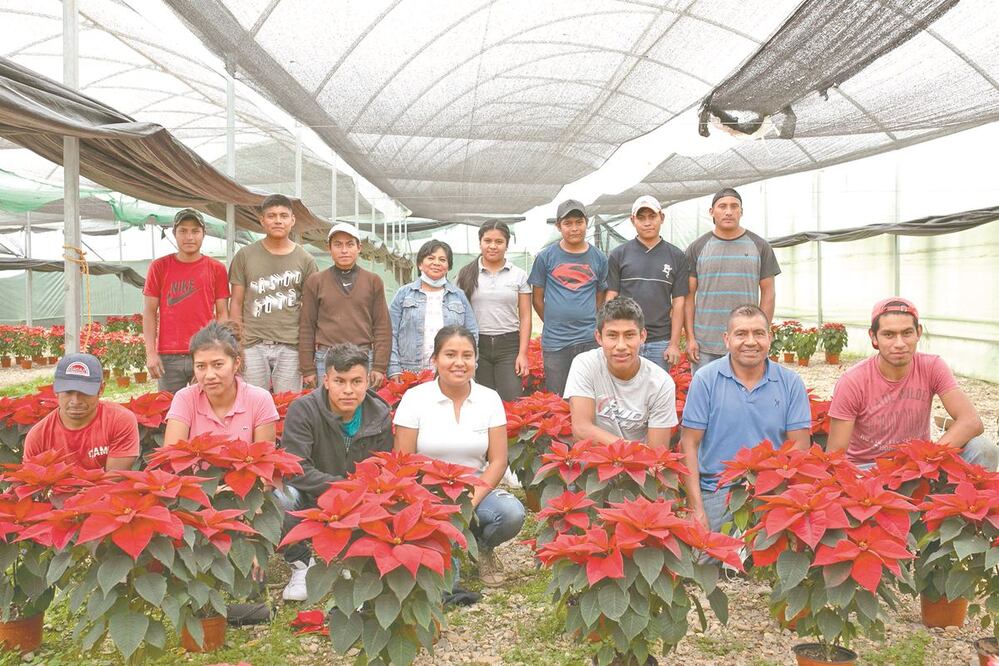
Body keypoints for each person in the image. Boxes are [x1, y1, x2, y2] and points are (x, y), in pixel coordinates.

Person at [394, 326, 525, 586]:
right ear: (435, 360)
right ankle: (447, 547)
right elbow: (403, 461)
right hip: (427, 495)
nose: (459, 363)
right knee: (447, 585)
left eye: (467, 355)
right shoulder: (415, 399)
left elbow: (498, 460)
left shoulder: (489, 399)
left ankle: (481, 547)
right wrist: (433, 505)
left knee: (511, 513)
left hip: (474, 490)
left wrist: (469, 504)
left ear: (476, 361)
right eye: (450, 354)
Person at [277, 342, 394, 601]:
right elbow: (295, 468)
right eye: (340, 381)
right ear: (326, 380)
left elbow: (384, 467)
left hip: (360, 499)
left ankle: (358, 562)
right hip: (313, 494)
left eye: (356, 381)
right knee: (280, 497)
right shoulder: (303, 410)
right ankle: (301, 564)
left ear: (367, 382)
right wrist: (342, 486)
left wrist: (357, 491)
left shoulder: (380, 414)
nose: (348, 390)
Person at [680, 305, 811, 533]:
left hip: (773, 490)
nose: (751, 341)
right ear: (726, 339)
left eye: (758, 333)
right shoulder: (706, 379)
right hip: (717, 490)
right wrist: (696, 509)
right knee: (705, 562)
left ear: (769, 338)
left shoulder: (790, 382)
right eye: (741, 334)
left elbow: (800, 446)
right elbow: (689, 443)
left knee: (768, 564)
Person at [827, 297, 998, 469]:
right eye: (889, 335)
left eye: (907, 333)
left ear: (918, 332)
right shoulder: (852, 381)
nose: (899, 344)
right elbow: (835, 455)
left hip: (920, 465)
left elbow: (971, 421)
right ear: (873, 337)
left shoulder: (932, 367)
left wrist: (927, 458)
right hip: (869, 469)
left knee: (983, 449)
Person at [684, 188, 780, 373]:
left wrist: (761, 335)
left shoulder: (760, 246)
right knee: (706, 398)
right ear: (712, 212)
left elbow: (768, 292)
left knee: (746, 397)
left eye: (734, 206)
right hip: (705, 345)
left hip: (746, 343)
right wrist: (690, 338)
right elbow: (689, 296)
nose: (728, 211)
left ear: (741, 211)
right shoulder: (697, 248)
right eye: (722, 206)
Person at [229, 194, 318, 393]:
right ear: (262, 220)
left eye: (283, 215)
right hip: (252, 344)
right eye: (271, 215)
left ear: (292, 220)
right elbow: (235, 302)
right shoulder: (245, 255)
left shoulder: (306, 260)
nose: (278, 220)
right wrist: (236, 343)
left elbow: (311, 310)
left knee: (287, 406)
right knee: (253, 405)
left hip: (290, 345)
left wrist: (307, 349)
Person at [564, 297, 678, 447]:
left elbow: (656, 452)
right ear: (599, 337)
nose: (621, 346)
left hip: (639, 466)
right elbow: (581, 429)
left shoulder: (661, 383)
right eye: (612, 335)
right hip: (595, 461)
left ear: (642, 336)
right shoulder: (585, 364)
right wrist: (632, 448)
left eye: (629, 335)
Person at [142, 208, 230, 393]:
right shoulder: (159, 267)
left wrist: (219, 349)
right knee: (170, 412)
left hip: (204, 351)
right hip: (168, 356)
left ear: (204, 234)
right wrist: (151, 353)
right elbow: (149, 312)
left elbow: (222, 312)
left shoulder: (216, 269)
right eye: (183, 231)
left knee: (206, 409)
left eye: (195, 231)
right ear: (174, 233)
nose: (189, 237)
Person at [528, 199, 608, 395]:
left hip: (589, 339)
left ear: (586, 223)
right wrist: (554, 321)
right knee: (558, 397)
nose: (574, 228)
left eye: (579, 222)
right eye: (568, 223)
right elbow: (537, 298)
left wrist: (589, 319)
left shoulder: (599, 258)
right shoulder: (546, 257)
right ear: (558, 226)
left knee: (590, 394)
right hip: (556, 343)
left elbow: (600, 296)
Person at [298, 223, 391, 390]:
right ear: (329, 248)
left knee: (361, 410)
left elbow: (382, 326)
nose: (344, 250)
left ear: (359, 247)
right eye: (338, 244)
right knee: (327, 410)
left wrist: (379, 366)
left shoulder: (373, 281)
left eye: (350, 244)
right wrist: (307, 368)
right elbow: (307, 326)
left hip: (362, 356)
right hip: (326, 358)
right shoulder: (316, 281)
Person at [606, 195, 689, 371]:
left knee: (656, 393)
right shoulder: (619, 254)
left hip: (660, 341)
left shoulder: (676, 256)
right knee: (624, 391)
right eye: (641, 218)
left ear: (662, 217)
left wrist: (674, 343)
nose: (647, 223)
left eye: (652, 217)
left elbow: (679, 302)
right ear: (632, 220)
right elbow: (611, 297)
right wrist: (611, 336)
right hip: (627, 339)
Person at [163, 321, 279, 446]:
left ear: (236, 364)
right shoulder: (184, 399)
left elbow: (262, 461)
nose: (210, 375)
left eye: (218, 365)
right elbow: (172, 458)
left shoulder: (260, 400)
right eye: (201, 366)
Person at [455, 220, 532, 402]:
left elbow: (526, 316)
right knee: (479, 400)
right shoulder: (466, 274)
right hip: (476, 344)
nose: (492, 246)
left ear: (507, 245)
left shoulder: (518, 275)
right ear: (480, 242)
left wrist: (522, 354)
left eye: (499, 242)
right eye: (487, 241)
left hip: (509, 345)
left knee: (512, 399)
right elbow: (458, 315)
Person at [23, 353, 139, 470]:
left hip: (107, 488)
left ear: (101, 389)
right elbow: (31, 479)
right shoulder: (38, 436)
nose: (76, 401)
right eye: (68, 392)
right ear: (55, 389)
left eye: (85, 392)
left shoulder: (119, 420)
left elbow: (115, 477)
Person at [388, 240, 478, 378]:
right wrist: (394, 368)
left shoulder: (458, 296)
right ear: (420, 264)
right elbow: (390, 333)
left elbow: (472, 333)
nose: (436, 263)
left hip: (449, 371)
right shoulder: (404, 294)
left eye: (442, 260)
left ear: (448, 267)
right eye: (430, 258)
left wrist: (468, 364)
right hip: (409, 372)